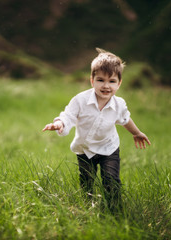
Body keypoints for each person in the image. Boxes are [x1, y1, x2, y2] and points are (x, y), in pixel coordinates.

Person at [42, 48, 151, 212]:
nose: (106, 86)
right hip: (84, 149)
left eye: (112, 81)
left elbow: (125, 119)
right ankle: (88, 207)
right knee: (87, 179)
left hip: (109, 147)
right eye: (101, 80)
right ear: (92, 80)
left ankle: (115, 210)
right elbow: (68, 115)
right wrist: (60, 123)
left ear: (119, 83)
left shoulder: (119, 104)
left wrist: (136, 133)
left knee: (110, 178)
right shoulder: (80, 100)